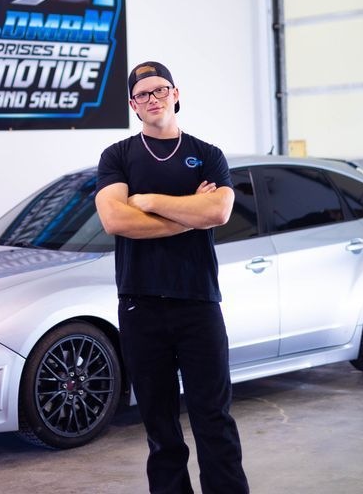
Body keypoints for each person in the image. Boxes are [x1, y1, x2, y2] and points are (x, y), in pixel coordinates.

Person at [95, 61, 249, 494]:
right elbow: (114, 219)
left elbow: (218, 211)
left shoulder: (209, 154)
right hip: (140, 306)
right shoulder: (118, 156)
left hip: (198, 303)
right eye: (142, 94)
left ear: (176, 93)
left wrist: (147, 201)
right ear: (133, 105)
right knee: (160, 428)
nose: (153, 98)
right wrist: (187, 215)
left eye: (159, 89)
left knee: (214, 420)